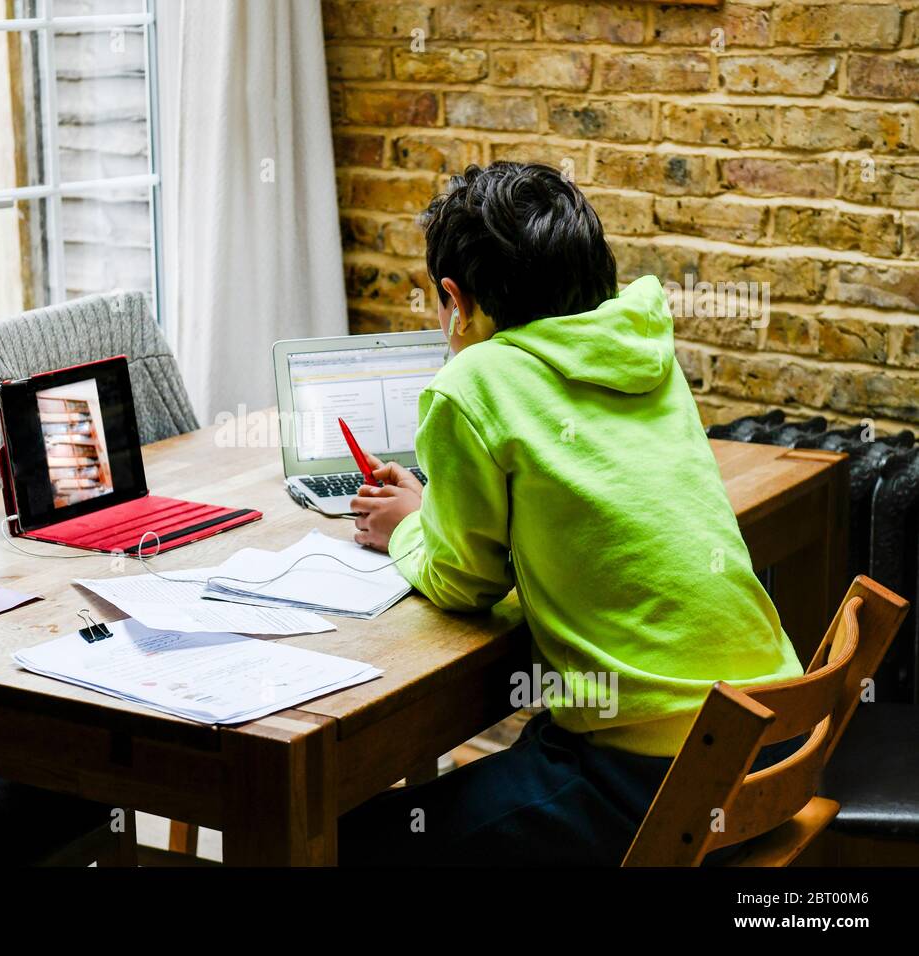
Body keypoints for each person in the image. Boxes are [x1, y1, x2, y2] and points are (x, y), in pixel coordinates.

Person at [340, 162, 803, 865]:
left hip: (658, 781)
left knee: (353, 839)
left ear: (453, 300)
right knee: (513, 768)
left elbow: (467, 584)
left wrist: (406, 523)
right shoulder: (644, 345)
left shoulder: (474, 381)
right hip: (771, 738)